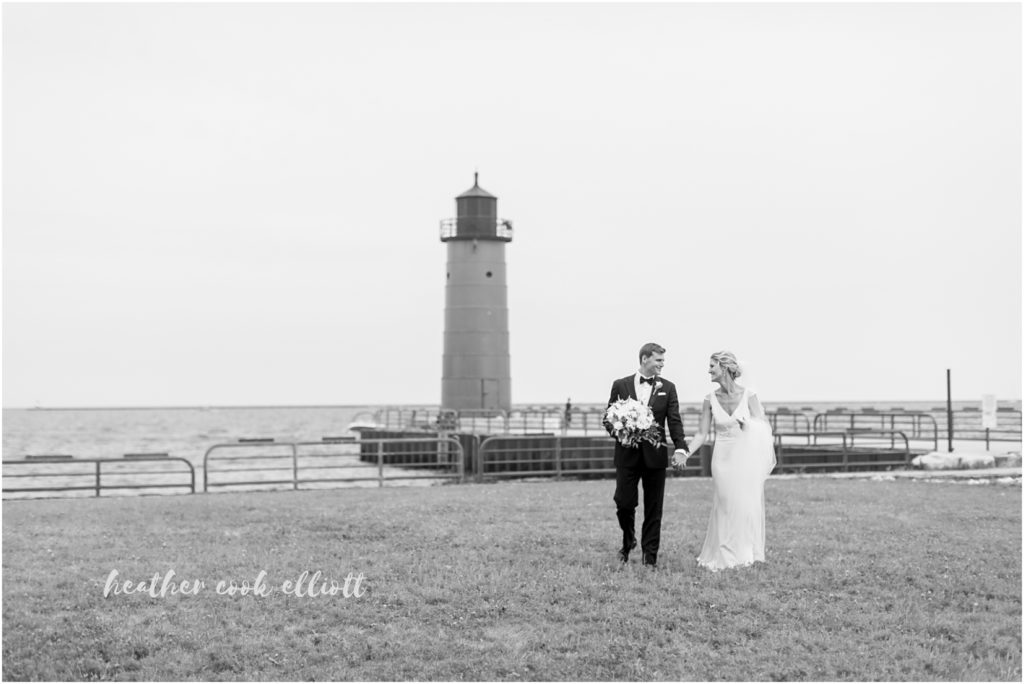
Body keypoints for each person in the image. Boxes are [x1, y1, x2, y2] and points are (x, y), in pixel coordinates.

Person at [675, 351, 776, 571]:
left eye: (712, 366)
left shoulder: (749, 395)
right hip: (721, 458)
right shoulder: (709, 399)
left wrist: (748, 425)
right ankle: (723, 554)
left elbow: (764, 427)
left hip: (744, 457)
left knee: (743, 503)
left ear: (725, 367)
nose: (709, 370)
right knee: (724, 503)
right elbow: (701, 434)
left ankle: (743, 552)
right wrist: (685, 452)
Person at [604, 343, 690, 569]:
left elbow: (674, 421)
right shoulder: (620, 384)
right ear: (644, 359)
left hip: (655, 456)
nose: (662, 364)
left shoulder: (668, 388)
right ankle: (628, 538)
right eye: (658, 360)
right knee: (623, 503)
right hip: (626, 455)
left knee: (654, 508)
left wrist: (681, 448)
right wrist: (620, 432)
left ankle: (649, 557)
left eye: (663, 361)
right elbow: (608, 418)